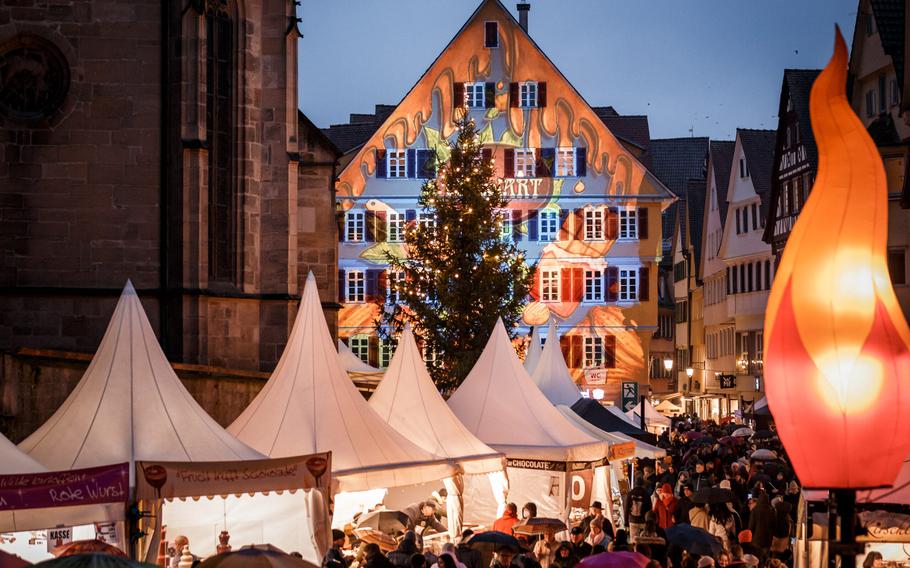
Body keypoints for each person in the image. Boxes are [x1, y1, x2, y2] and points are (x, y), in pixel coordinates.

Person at [747, 492, 774, 559]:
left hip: (756, 539)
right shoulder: (771, 510)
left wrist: (750, 537)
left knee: (756, 557)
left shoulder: (755, 510)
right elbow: (774, 526)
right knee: (765, 557)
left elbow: (751, 526)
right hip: (767, 539)